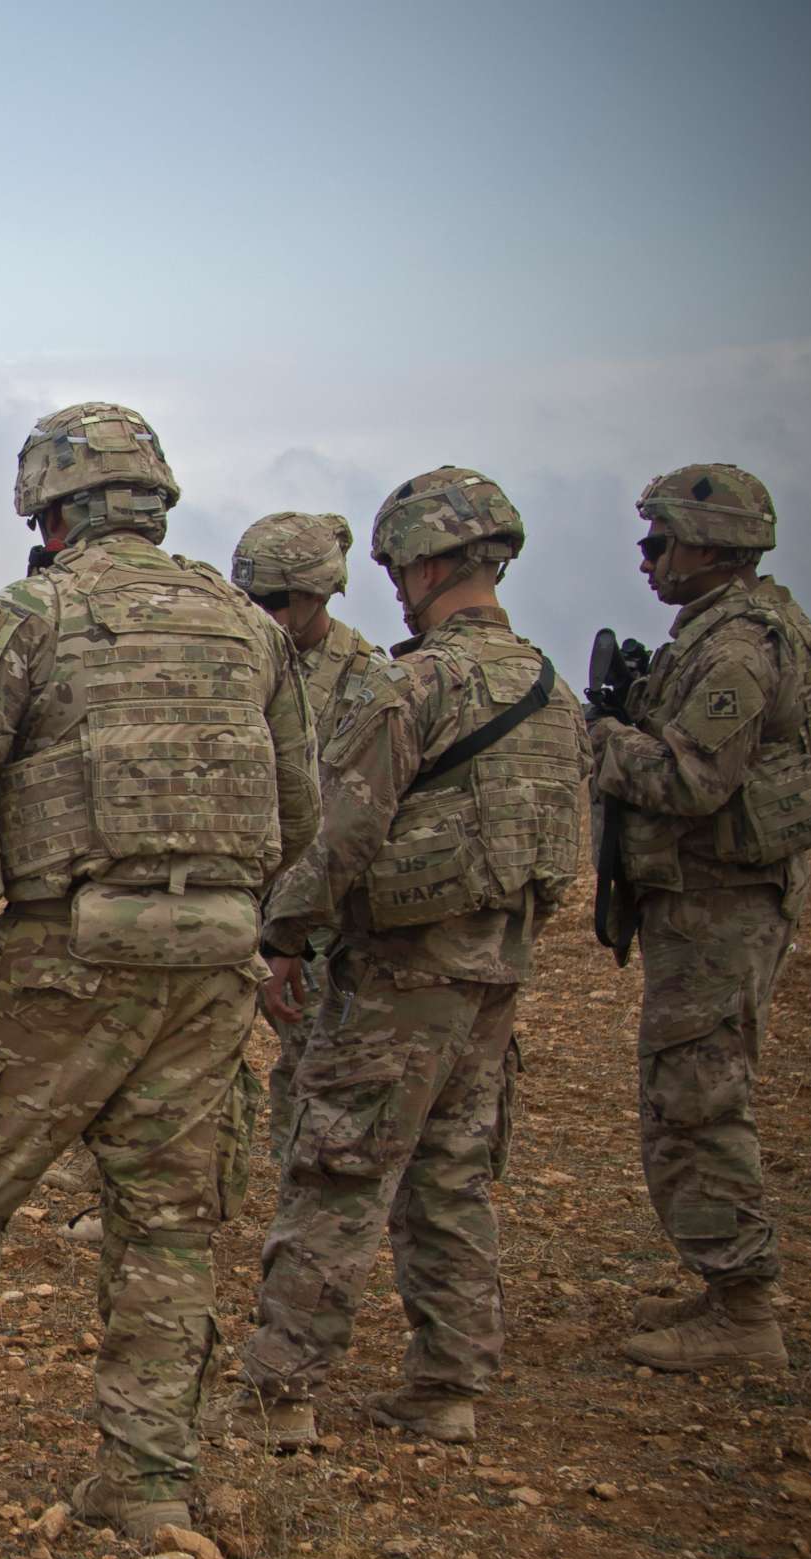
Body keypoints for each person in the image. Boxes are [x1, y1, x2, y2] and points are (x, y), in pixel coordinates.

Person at [0, 402, 316, 1540]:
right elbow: (300, 808)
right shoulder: (250, 627)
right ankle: (148, 1488)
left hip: (65, 954)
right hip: (212, 962)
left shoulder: (29, 617)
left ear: (49, 510)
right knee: (168, 1224)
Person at [237, 467, 588, 1450]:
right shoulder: (550, 688)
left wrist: (282, 936)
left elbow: (344, 836)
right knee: (451, 1177)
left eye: (398, 566)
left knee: (338, 1172)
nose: (393, 585)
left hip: (399, 977)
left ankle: (280, 1394)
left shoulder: (413, 684)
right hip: (495, 975)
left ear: (431, 563)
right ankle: (449, 1387)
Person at [592, 465, 811, 1374]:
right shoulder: (734, 632)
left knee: (697, 1098)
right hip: (715, 901)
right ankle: (725, 1284)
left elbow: (692, 781)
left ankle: (743, 1310)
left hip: (720, 905)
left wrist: (604, 739)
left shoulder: (735, 649)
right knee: (695, 1090)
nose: (649, 560)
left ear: (712, 544)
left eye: (661, 542)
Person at [231, 512, 390, 1152]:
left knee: (317, 1065)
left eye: (272, 601)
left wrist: (289, 933)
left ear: (316, 595)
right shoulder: (241, 662)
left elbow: (354, 818)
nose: (259, 615)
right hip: (239, 897)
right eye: (250, 600)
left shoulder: (367, 680)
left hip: (316, 919)